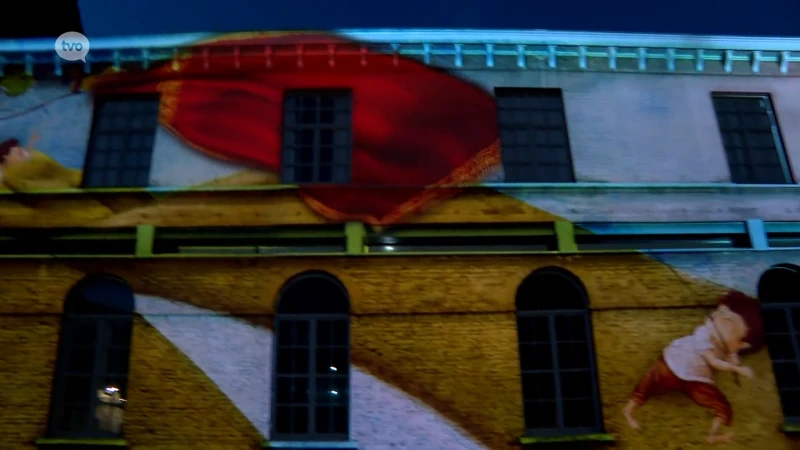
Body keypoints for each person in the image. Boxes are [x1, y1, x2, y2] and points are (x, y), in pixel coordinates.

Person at [622, 290, 763, 444]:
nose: (720, 314)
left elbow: (730, 354)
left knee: (721, 405)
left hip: (697, 379)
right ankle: (629, 411)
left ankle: (712, 434)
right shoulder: (704, 334)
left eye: (741, 341)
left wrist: (735, 355)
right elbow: (714, 361)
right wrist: (737, 369)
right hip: (675, 364)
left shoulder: (727, 347)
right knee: (649, 380)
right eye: (724, 315)